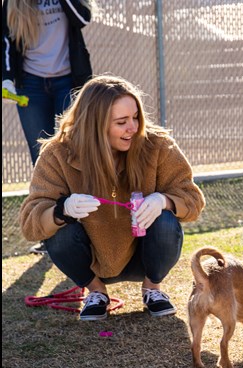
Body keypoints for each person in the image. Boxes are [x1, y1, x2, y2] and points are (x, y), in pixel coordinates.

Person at [19, 75, 206, 320]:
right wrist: (61, 210)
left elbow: (192, 199)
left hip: (143, 255)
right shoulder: (57, 153)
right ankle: (96, 292)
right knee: (58, 231)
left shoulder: (158, 144)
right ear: (95, 125)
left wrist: (164, 201)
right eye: (122, 122)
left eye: (136, 117)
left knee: (166, 222)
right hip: (92, 259)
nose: (134, 127)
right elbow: (30, 223)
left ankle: (153, 289)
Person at [2, 0, 97, 254]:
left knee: (79, 152)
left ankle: (88, 229)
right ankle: (49, 233)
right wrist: (6, 78)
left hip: (69, 81)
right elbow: (6, 39)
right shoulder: (13, 3)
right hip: (30, 86)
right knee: (41, 158)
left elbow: (83, 18)